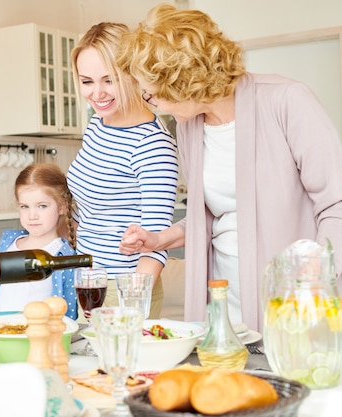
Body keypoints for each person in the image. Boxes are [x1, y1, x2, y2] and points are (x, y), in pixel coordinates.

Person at [117, 4, 342, 332]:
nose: (148, 100)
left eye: (152, 93)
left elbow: (335, 205)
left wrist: (315, 283)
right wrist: (160, 240)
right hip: (223, 312)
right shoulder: (190, 126)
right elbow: (213, 216)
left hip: (292, 310)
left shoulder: (286, 101)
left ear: (183, 82)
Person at [66, 22, 179, 318]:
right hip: (86, 282)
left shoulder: (152, 143)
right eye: (87, 81)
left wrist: (132, 306)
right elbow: (86, 211)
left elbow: (157, 241)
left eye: (109, 79)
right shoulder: (97, 124)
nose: (97, 93)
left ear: (132, 74)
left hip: (125, 289)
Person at [0, 163, 78, 320]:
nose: (32, 215)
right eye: (25, 206)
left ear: (61, 207)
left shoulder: (63, 256)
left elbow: (69, 312)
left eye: (42, 206)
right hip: (2, 334)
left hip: (41, 339)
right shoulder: (7, 243)